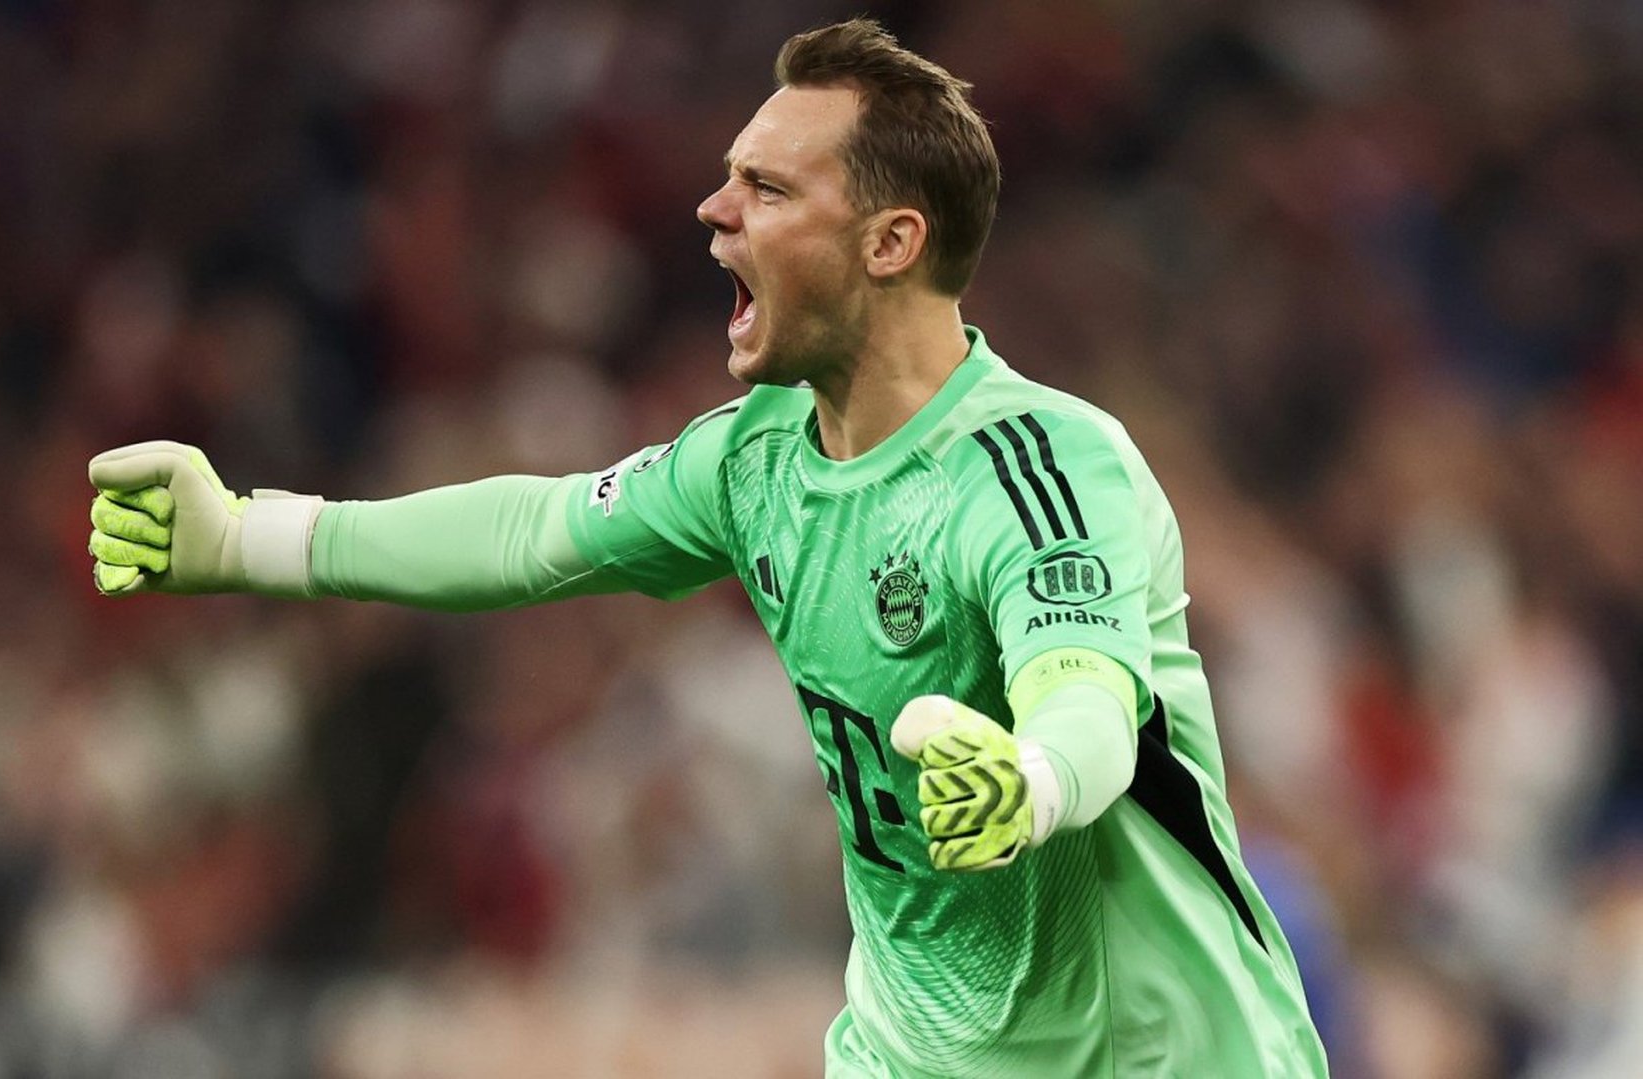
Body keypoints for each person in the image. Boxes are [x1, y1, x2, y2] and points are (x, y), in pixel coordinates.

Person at [85, 18, 1328, 1077]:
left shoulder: (1041, 464)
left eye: (769, 190)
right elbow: (534, 532)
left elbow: (1090, 695)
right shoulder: (755, 458)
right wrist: (250, 531)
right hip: (917, 1053)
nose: (714, 209)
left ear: (890, 242)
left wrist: (1032, 782)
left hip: (1160, 1054)